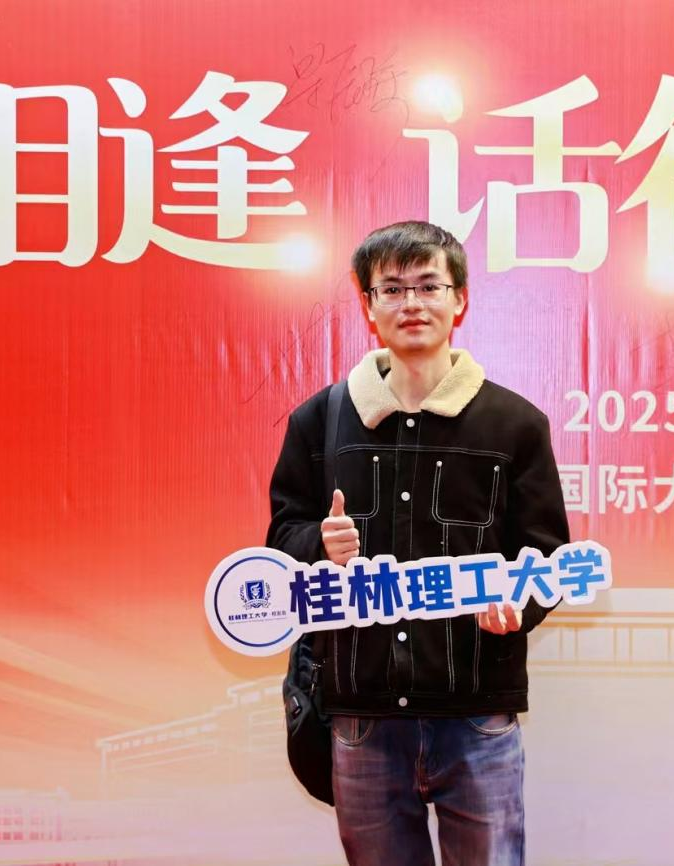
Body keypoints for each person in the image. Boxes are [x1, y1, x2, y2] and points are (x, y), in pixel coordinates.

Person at [265, 220, 570, 866]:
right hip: (362, 713)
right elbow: (281, 540)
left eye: (429, 286)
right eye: (392, 289)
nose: (412, 303)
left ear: (460, 300)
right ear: (368, 305)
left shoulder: (514, 424)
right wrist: (319, 545)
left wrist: (518, 605)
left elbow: (544, 553)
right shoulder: (320, 421)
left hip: (476, 712)